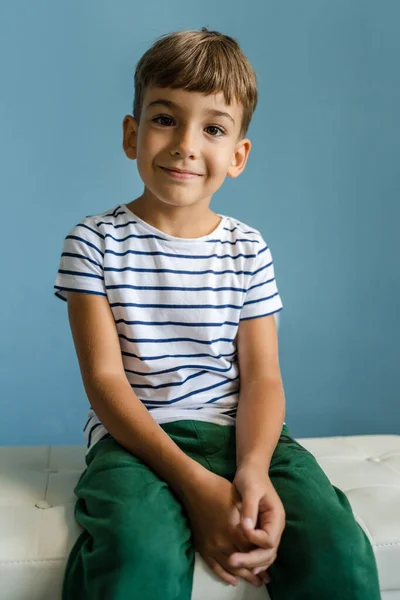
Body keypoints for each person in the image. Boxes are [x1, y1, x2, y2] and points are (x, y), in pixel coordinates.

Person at [54, 27, 381, 600]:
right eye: (164, 119)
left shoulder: (248, 249)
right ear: (132, 134)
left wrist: (252, 470)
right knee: (138, 552)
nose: (185, 143)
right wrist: (195, 482)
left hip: (249, 437)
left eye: (212, 128)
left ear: (237, 155)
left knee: (337, 547)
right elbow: (105, 381)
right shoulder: (93, 243)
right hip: (137, 443)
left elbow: (262, 378)